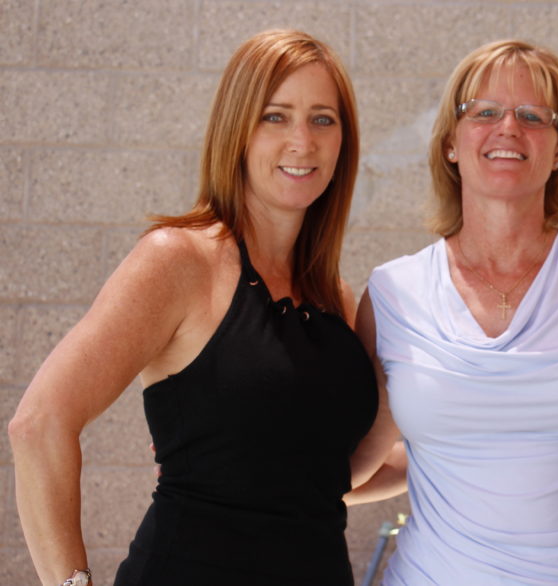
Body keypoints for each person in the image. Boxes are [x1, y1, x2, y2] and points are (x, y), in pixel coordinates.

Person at [8, 29, 377, 586]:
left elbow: (321, 471)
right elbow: (39, 424)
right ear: (238, 130)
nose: (303, 140)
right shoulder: (180, 261)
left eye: (322, 119)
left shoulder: (334, 297)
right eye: (275, 116)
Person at [348, 39, 558, 584]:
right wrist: (229, 470)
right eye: (484, 112)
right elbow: (370, 458)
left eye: (534, 115)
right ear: (450, 144)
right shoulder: (394, 293)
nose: (508, 127)